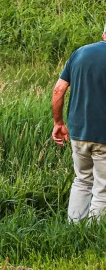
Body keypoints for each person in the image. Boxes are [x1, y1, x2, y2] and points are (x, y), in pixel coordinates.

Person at [52, 24, 106, 220]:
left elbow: (58, 90)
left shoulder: (79, 53)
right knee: (103, 189)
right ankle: (95, 236)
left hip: (78, 132)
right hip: (104, 135)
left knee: (82, 180)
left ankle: (74, 227)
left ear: (103, 34)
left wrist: (58, 122)